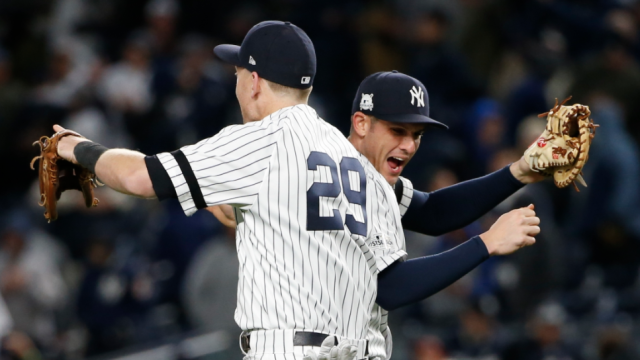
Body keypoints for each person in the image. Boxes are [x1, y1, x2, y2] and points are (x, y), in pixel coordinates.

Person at [52, 21, 407, 360]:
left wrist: (79, 149)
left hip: (291, 348)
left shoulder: (260, 140)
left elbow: (139, 178)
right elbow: (258, 214)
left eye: (236, 73)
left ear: (254, 81)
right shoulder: (349, 154)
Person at [210, 71, 543, 360]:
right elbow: (388, 287)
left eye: (417, 135)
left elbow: (433, 212)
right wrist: (487, 242)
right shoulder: (328, 180)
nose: (410, 146)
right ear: (361, 123)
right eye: (398, 131)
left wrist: (519, 172)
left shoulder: (361, 178)